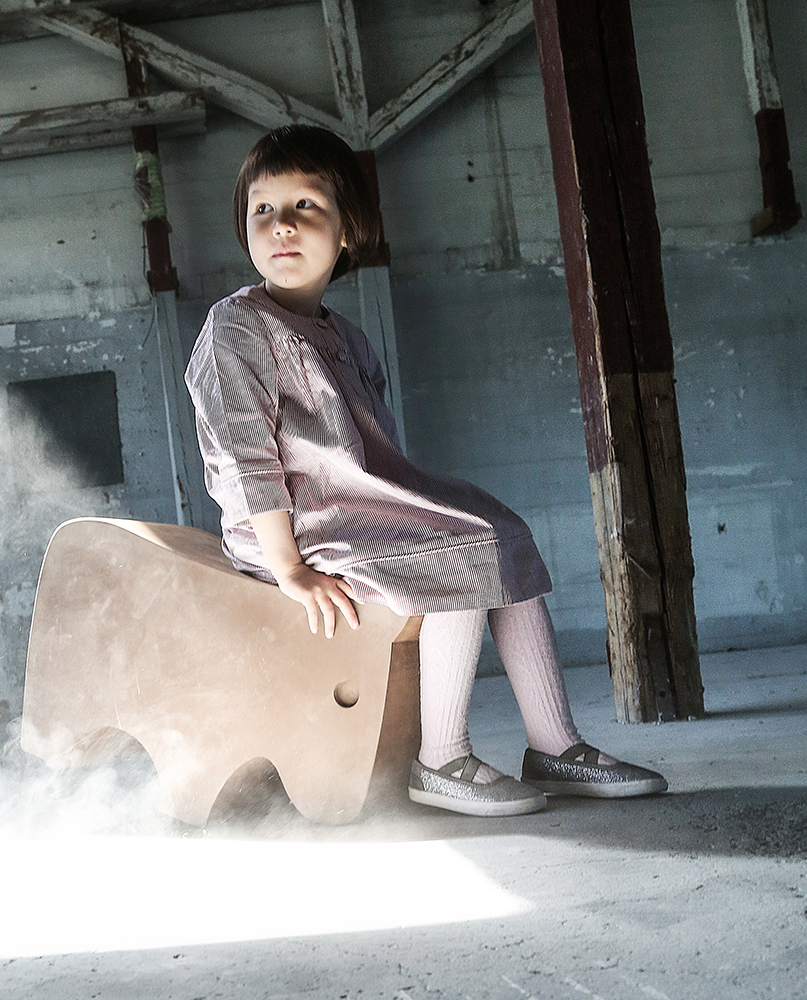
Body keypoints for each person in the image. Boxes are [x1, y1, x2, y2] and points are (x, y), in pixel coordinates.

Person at [184, 124, 667, 817]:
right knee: (455, 553)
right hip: (289, 528)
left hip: (355, 509)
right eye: (263, 209)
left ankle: (554, 746)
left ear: (348, 230)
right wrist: (288, 567)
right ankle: (441, 759)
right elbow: (246, 458)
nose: (281, 224)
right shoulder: (235, 327)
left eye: (304, 206)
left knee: (500, 530)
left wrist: (418, 509)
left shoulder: (347, 338)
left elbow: (378, 456)